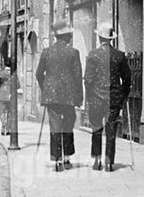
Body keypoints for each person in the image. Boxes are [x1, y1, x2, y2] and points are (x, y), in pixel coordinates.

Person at [35, 21, 83, 172]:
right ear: (67, 36)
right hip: (69, 97)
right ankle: (67, 157)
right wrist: (79, 97)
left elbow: (38, 74)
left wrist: (46, 88)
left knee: (55, 127)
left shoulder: (46, 52)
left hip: (52, 97)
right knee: (68, 126)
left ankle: (57, 160)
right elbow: (77, 76)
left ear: (56, 36)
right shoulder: (73, 52)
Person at [84, 23, 132, 172]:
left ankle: (97, 160)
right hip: (114, 99)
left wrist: (90, 95)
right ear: (111, 39)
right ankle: (109, 162)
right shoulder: (119, 56)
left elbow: (88, 79)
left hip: (97, 99)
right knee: (111, 131)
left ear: (99, 37)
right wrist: (123, 95)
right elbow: (127, 78)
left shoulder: (93, 55)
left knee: (96, 129)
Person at [0, 64, 18, 136]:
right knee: (10, 113)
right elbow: (18, 85)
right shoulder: (14, 74)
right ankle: (8, 129)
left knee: (2, 113)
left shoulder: (0, 74)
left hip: (2, 96)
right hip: (11, 97)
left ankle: (3, 125)